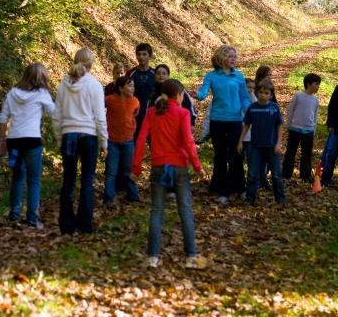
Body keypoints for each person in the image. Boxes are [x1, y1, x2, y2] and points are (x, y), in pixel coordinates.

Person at [132, 79, 206, 269]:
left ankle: (152, 257)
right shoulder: (183, 113)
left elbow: (141, 139)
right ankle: (190, 257)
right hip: (179, 167)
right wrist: (198, 167)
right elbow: (188, 142)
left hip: (158, 167)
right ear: (179, 95)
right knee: (185, 211)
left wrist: (136, 168)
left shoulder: (151, 113)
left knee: (156, 211)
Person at [54, 48, 108, 234]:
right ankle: (85, 224)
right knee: (87, 180)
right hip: (88, 136)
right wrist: (104, 142)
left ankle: (67, 225)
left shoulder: (63, 84)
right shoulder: (94, 85)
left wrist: (59, 137)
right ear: (91, 64)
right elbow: (100, 117)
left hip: (68, 135)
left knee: (68, 180)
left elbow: (57, 115)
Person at [193, 44, 251, 205]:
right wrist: (195, 95)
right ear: (221, 58)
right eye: (230, 56)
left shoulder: (239, 76)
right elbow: (203, 94)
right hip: (217, 121)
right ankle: (223, 191)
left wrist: (250, 112)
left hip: (235, 121)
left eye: (235, 56)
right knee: (220, 157)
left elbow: (245, 98)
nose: (234, 59)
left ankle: (241, 189)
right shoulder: (211, 76)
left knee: (237, 155)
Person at [0, 63, 56, 229]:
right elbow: (54, 112)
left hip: (14, 140)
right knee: (34, 180)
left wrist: (2, 140)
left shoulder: (12, 93)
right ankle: (32, 217)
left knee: (17, 177)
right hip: (32, 140)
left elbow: (3, 119)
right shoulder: (42, 93)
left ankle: (14, 213)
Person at [238, 79, 285, 205]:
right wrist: (240, 141)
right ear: (257, 93)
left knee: (276, 174)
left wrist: (278, 143)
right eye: (261, 92)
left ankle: (280, 199)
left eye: (266, 93)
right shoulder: (252, 108)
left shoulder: (274, 108)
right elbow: (246, 125)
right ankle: (250, 198)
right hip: (255, 146)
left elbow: (279, 125)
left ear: (271, 95)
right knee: (253, 174)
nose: (263, 95)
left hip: (271, 146)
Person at [103, 76, 140, 205]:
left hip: (128, 140)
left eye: (133, 86)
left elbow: (135, 114)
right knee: (111, 171)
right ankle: (108, 197)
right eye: (129, 86)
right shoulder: (110, 100)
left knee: (128, 169)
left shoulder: (135, 101)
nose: (132, 88)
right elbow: (98, 106)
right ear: (120, 88)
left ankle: (133, 195)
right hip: (112, 141)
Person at [282, 73, 321, 183]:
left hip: (308, 130)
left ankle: (305, 175)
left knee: (307, 154)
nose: (318, 86)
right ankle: (286, 174)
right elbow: (290, 110)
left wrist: (314, 129)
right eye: (316, 84)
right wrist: (289, 124)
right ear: (308, 84)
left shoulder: (315, 100)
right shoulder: (298, 96)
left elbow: (315, 115)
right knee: (290, 152)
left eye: (319, 84)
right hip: (295, 129)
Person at [126, 43, 156, 139]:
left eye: (144, 54)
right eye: (138, 54)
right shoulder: (131, 73)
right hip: (134, 115)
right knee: (134, 144)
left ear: (150, 56)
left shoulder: (155, 74)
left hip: (152, 115)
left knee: (154, 144)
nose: (141, 57)